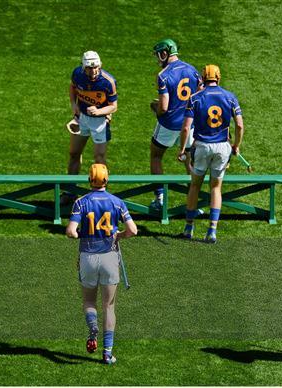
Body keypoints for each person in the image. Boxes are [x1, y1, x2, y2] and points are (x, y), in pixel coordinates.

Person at [66, 164, 137, 364]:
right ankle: (107, 353)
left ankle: (92, 326)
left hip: (88, 257)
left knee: (89, 301)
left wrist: (83, 235)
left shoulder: (81, 203)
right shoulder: (117, 202)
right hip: (109, 257)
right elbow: (133, 230)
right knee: (109, 306)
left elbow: (71, 231)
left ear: (90, 180)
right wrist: (120, 235)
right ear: (107, 180)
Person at [177, 65, 244, 243]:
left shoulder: (195, 98)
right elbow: (239, 125)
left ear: (202, 78)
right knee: (215, 188)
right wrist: (236, 145)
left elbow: (185, 127)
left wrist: (182, 149)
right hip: (222, 147)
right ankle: (212, 231)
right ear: (218, 78)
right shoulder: (230, 97)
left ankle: (188, 228)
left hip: (202, 147)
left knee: (194, 186)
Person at [149, 38, 202, 211]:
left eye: (159, 55)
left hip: (169, 124)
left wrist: (155, 107)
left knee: (156, 156)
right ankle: (193, 201)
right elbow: (201, 94)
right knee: (190, 161)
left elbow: (164, 107)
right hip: (189, 123)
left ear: (165, 53)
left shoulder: (163, 75)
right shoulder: (192, 70)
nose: (158, 59)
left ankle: (160, 199)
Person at [62, 51, 118, 204]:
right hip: (82, 119)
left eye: (95, 68)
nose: (93, 72)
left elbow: (113, 107)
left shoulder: (108, 81)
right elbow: (72, 88)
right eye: (89, 68)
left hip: (100, 122)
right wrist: (74, 105)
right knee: (74, 153)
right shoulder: (77, 74)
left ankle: (101, 192)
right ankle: (70, 191)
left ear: (100, 66)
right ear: (83, 67)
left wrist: (99, 111)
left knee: (99, 157)